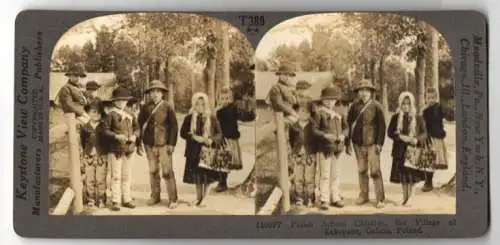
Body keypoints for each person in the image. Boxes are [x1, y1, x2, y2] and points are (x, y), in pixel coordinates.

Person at [138, 80, 179, 208]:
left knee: (167, 172)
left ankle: (173, 199)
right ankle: (155, 196)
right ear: (149, 94)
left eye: (158, 91)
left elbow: (174, 126)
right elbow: (139, 125)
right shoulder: (145, 108)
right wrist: (139, 142)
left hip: (164, 144)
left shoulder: (168, 107)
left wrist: (171, 143)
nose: (155, 94)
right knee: (153, 171)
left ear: (162, 94)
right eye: (152, 91)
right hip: (149, 144)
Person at [347, 79, 387, 209]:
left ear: (371, 92)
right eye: (361, 90)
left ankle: (380, 198)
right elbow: (349, 124)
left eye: (366, 90)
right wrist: (348, 142)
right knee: (362, 170)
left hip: (372, 143)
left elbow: (382, 126)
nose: (363, 92)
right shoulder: (354, 106)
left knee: (375, 171)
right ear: (358, 92)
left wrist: (379, 143)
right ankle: (363, 196)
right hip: (358, 143)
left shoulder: (377, 106)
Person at [180, 92, 223, 207]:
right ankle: (198, 198)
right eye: (197, 104)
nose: (200, 107)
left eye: (202, 104)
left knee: (208, 177)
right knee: (197, 176)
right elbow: (182, 133)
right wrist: (193, 137)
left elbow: (219, 134)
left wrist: (211, 139)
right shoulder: (189, 118)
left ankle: (205, 199)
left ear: (206, 105)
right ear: (194, 104)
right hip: (194, 151)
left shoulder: (211, 118)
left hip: (208, 151)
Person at [311, 86, 349, 210]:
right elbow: (314, 130)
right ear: (323, 100)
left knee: (336, 174)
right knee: (325, 174)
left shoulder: (340, 113)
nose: (329, 102)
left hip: (338, 148)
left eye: (332, 99)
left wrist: (344, 135)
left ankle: (335, 197)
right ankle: (324, 199)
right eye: (327, 99)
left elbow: (346, 128)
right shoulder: (319, 113)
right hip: (325, 148)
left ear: (336, 100)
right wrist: (324, 135)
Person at [102, 87, 139, 211]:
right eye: (118, 100)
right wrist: (116, 136)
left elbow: (137, 128)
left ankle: (127, 199)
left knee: (126, 175)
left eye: (124, 100)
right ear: (114, 101)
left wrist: (135, 135)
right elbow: (105, 131)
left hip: (129, 149)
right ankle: (115, 200)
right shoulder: (110, 115)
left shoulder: (130, 113)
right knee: (116, 176)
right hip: (116, 149)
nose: (121, 103)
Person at [388, 91, 428, 206]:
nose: (406, 106)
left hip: (413, 150)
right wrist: (400, 137)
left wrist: (417, 139)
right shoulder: (396, 117)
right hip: (399, 150)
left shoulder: (418, 117)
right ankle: (404, 197)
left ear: (412, 104)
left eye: (408, 104)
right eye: (403, 104)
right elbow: (390, 132)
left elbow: (424, 133)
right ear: (400, 104)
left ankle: (410, 198)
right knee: (403, 175)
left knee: (412, 176)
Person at [214, 86, 256, 192]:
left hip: (230, 139)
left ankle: (222, 183)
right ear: (218, 99)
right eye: (222, 99)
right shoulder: (217, 110)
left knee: (226, 161)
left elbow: (245, 116)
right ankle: (221, 182)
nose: (225, 101)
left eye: (227, 98)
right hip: (219, 139)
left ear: (231, 99)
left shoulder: (234, 108)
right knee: (220, 161)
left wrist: (251, 111)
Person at [288, 80, 318, 207]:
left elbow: (316, 138)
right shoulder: (294, 126)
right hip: (297, 154)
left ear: (310, 114)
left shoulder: (312, 126)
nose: (303, 114)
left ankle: (310, 197)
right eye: (301, 112)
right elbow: (291, 139)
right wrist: (293, 151)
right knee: (298, 177)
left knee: (309, 177)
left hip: (310, 154)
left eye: (306, 112)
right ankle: (299, 197)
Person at [79, 100, 107, 208]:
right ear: (89, 113)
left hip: (101, 156)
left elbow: (107, 141)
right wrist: (86, 152)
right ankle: (90, 199)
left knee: (101, 179)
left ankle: (101, 199)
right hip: (89, 156)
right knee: (89, 179)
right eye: (92, 112)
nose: (95, 114)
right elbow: (82, 142)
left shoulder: (104, 126)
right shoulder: (85, 127)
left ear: (101, 114)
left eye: (98, 112)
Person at [421, 88, 449, 192]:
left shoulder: (438, 107)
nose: (431, 100)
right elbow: (422, 123)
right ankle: (428, 182)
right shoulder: (424, 110)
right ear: (425, 99)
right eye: (429, 98)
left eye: (433, 98)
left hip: (437, 137)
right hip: (428, 138)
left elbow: (446, 115)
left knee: (434, 159)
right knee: (428, 160)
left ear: (436, 98)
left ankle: (429, 181)